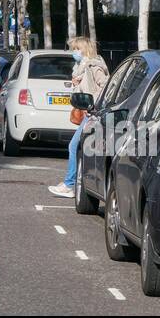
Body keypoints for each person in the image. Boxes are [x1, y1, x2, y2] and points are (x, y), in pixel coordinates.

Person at [49, 36, 108, 199]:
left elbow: (106, 87)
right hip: (88, 113)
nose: (73, 52)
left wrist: (94, 105)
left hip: (93, 113)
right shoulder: (82, 68)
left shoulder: (94, 67)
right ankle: (70, 183)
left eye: (76, 49)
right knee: (76, 147)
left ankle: (69, 185)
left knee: (74, 146)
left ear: (84, 49)